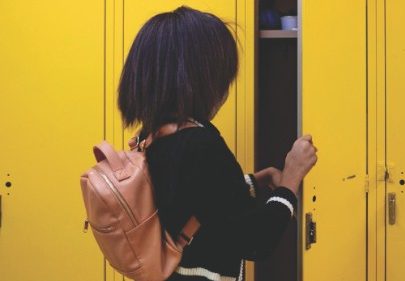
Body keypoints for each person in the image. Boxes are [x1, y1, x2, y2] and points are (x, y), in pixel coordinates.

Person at [118, 6, 317, 281]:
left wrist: (255, 181)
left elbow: (200, 200)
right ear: (199, 77)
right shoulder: (200, 143)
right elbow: (257, 241)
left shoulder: (151, 136)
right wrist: (291, 179)